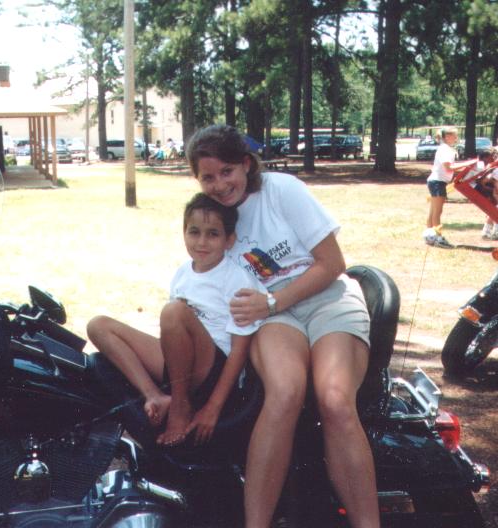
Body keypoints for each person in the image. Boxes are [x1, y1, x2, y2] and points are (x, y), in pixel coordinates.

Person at [185, 124, 379, 528]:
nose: (220, 185)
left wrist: (273, 301)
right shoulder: (215, 216)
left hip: (326, 298)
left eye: (227, 171)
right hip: (272, 315)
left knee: (335, 398)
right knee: (285, 392)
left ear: (246, 164)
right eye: (208, 177)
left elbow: (332, 263)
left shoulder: (281, 190)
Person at [87, 193, 263, 446]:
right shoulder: (183, 273)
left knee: (174, 311)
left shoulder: (236, 278)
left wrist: (213, 406)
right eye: (194, 232)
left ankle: (180, 407)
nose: (201, 242)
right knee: (98, 326)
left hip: (213, 368)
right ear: (184, 232)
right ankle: (155, 396)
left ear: (229, 240)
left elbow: (239, 350)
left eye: (213, 234)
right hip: (181, 363)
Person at [423, 127, 478, 248]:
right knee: (437, 212)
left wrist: (466, 165)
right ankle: (438, 238)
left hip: (437, 182)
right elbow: (449, 167)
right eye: (454, 136)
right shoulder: (445, 149)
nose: (456, 138)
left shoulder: (446, 149)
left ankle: (429, 236)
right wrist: (468, 163)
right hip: (437, 182)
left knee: (433, 211)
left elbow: (450, 167)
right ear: (447, 137)